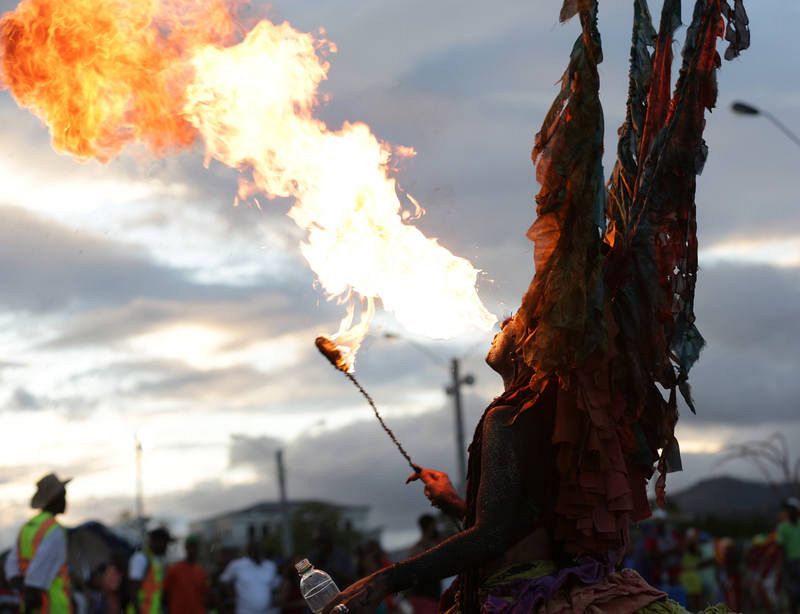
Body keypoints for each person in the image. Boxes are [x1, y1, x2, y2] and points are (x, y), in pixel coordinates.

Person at [319, 1, 750, 612]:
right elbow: (528, 522)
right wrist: (455, 502)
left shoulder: (511, 417)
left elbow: (496, 538)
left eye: (515, 320)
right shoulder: (556, 414)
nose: (502, 322)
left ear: (535, 345)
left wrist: (386, 580)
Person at [3, 472, 72, 613]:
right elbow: (37, 574)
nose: (66, 500)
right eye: (63, 495)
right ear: (55, 499)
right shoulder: (54, 530)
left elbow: (12, 564)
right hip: (51, 606)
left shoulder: (28, 527)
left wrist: (21, 586)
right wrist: (31, 592)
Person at [219, 541, 280, 614]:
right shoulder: (237, 565)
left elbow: (276, 585)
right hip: (244, 611)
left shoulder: (270, 566)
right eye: (254, 550)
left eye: (259, 550)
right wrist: (232, 596)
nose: (256, 552)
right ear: (248, 551)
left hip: (267, 611)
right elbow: (223, 581)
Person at [127, 527, 173, 614]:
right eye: (165, 543)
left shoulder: (155, 562)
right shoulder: (141, 558)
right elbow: (133, 590)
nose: (167, 547)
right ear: (157, 541)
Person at [405, 515, 441, 614]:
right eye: (434, 525)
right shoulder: (418, 550)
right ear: (429, 526)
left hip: (429, 597)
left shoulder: (417, 549)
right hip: (424, 597)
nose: (436, 528)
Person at [163, 535, 208, 614]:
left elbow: (204, 595)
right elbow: (165, 592)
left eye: (195, 547)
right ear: (186, 547)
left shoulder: (201, 572)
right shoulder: (175, 569)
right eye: (190, 546)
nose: (193, 550)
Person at [778, 497, 800, 614]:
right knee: (793, 595)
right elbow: (781, 548)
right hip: (790, 564)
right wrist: (784, 565)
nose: (789, 512)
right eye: (788, 509)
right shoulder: (783, 527)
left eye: (792, 509)